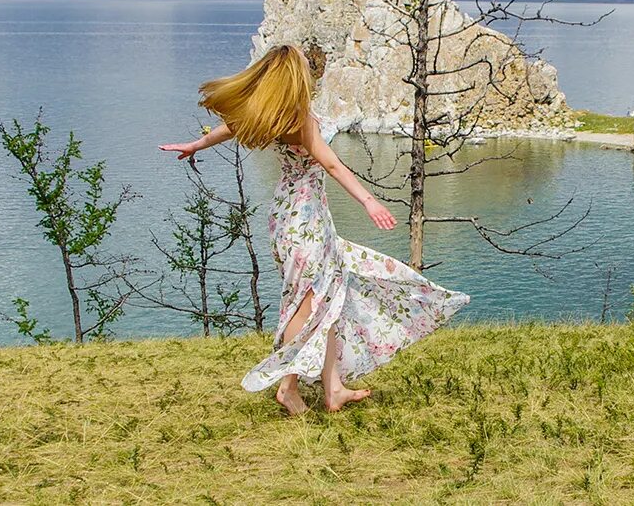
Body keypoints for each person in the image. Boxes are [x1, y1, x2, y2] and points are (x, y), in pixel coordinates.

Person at [159, 44, 469, 415]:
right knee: (307, 303)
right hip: (304, 218)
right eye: (306, 64)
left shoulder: (272, 114)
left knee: (328, 294)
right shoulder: (299, 119)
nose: (311, 65)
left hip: (292, 214)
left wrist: (197, 144)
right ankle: (288, 388)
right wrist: (369, 201)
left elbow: (229, 127)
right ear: (295, 76)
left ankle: (333, 387)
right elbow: (333, 165)